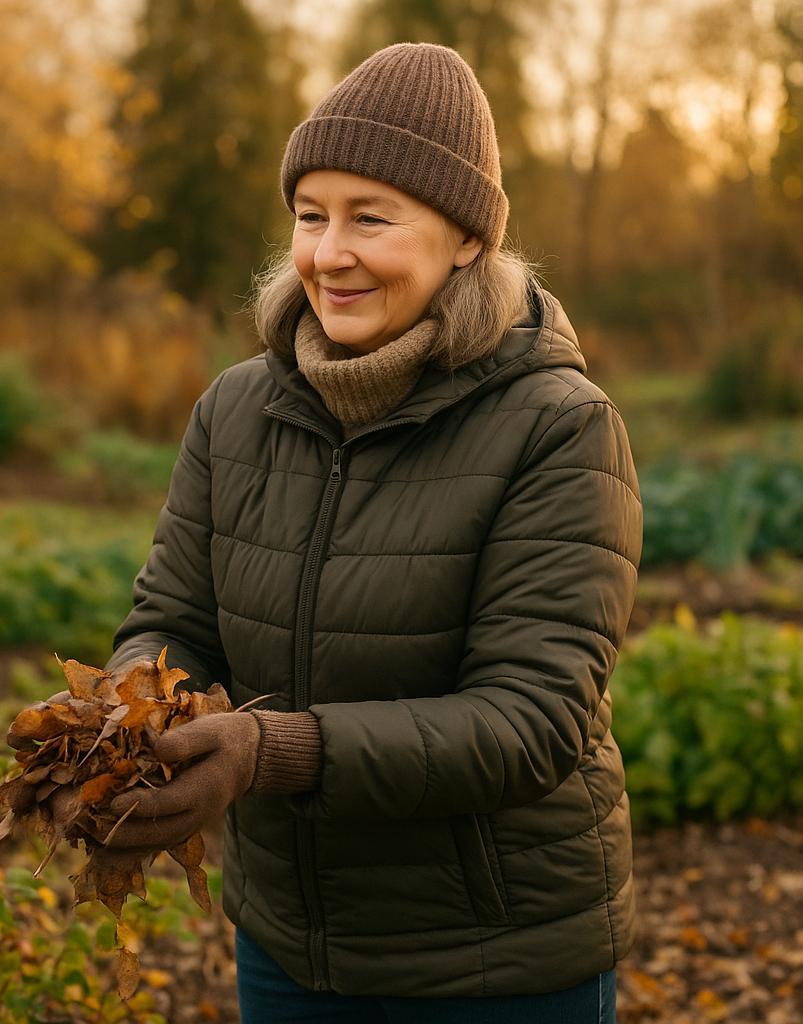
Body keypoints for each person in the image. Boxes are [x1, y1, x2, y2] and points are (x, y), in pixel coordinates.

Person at [99, 43, 641, 1024]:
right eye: (310, 215)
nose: (328, 253)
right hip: (289, 943)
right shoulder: (237, 410)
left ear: (466, 239)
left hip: (495, 958)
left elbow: (532, 722)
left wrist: (269, 751)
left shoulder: (559, 426)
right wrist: (133, 722)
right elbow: (171, 614)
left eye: (370, 218)